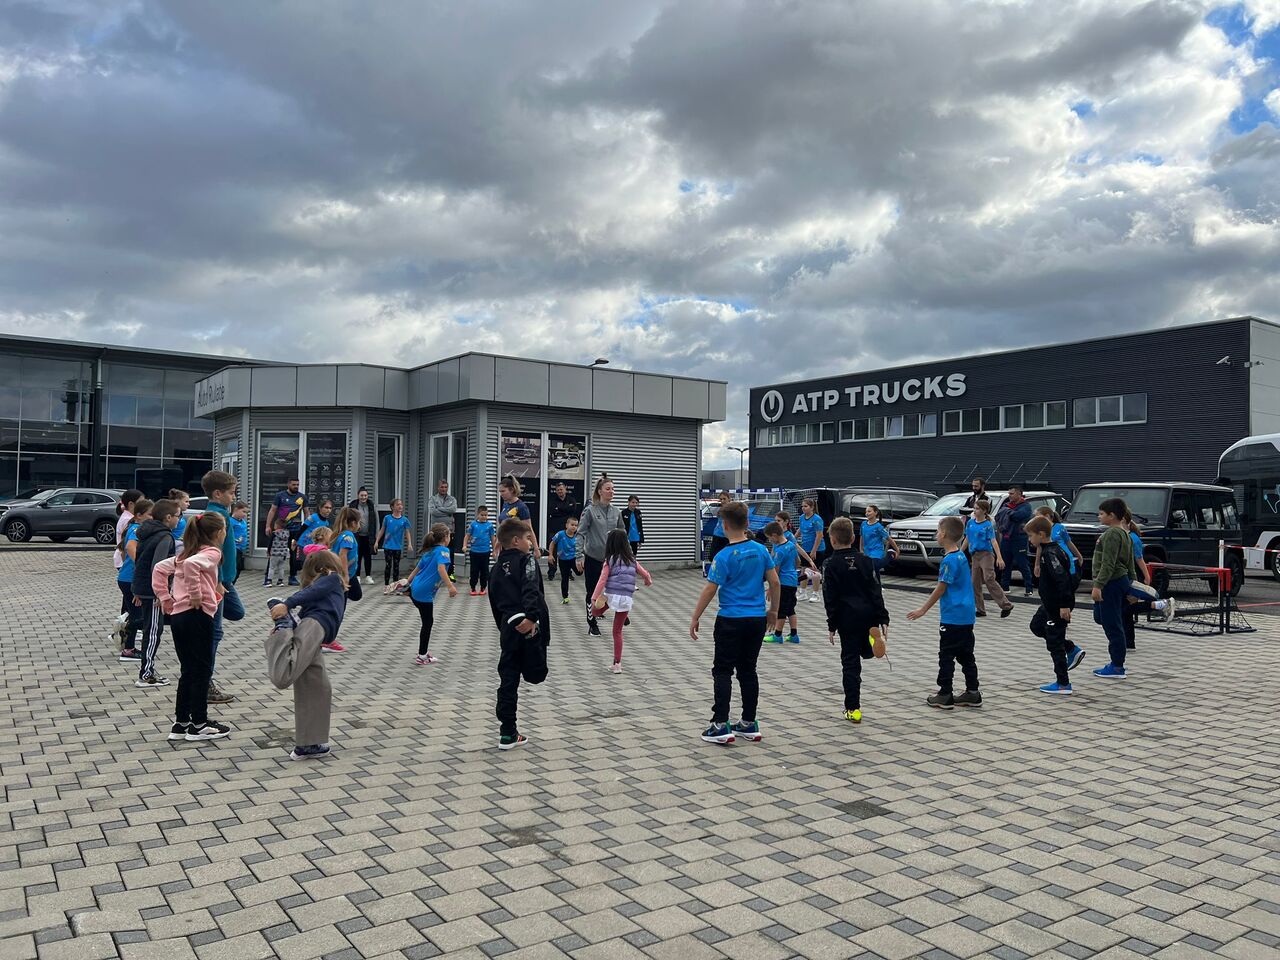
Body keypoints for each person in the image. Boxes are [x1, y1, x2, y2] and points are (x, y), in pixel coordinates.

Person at [689, 501, 780, 745]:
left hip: (730, 619)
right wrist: (773, 611)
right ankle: (749, 722)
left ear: (724, 526)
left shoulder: (723, 556)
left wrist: (696, 616)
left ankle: (720, 724)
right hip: (756, 618)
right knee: (748, 669)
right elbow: (775, 582)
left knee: (723, 670)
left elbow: (710, 589)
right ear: (747, 523)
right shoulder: (761, 550)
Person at [152, 511, 230, 742]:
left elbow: (159, 569)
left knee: (188, 670)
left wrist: (166, 599)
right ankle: (199, 724)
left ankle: (181, 723)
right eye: (225, 529)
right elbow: (192, 566)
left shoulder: (186, 553)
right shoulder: (211, 553)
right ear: (218, 532)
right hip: (197, 614)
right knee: (202, 670)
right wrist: (196, 595)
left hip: (179, 617)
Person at [266, 550, 348, 760]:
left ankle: (309, 744)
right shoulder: (331, 578)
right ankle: (282, 626)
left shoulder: (333, 584)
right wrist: (286, 605)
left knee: (317, 686)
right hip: (314, 627)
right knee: (284, 675)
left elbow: (355, 592)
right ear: (325, 568)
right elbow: (309, 594)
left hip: (315, 631)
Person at [907, 516, 982, 710]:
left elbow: (941, 588)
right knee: (966, 655)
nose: (936, 534)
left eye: (938, 531)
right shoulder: (961, 556)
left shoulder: (948, 561)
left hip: (952, 616)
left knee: (946, 655)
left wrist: (923, 609)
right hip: (966, 615)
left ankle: (945, 693)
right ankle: (973, 692)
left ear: (945, 534)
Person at [488, 518, 551, 751]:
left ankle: (507, 732)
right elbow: (531, 588)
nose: (531, 543)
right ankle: (509, 733)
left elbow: (494, 603)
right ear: (516, 541)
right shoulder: (528, 561)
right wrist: (532, 618)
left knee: (508, 679)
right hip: (528, 625)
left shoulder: (495, 569)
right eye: (527, 538)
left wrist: (504, 627)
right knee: (536, 674)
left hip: (508, 628)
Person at [822, 517, 890, 723]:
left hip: (846, 618)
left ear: (832, 540)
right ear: (853, 538)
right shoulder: (867, 561)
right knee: (864, 648)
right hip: (868, 615)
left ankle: (853, 709)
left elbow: (830, 597)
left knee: (850, 663)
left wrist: (832, 624)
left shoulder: (830, 564)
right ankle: (871, 642)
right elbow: (875, 589)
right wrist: (883, 617)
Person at [202, 470, 244, 705]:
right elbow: (212, 551)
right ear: (217, 493)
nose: (233, 497)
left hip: (225, 580)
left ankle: (201, 618)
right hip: (216, 581)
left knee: (237, 612)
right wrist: (217, 582)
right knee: (215, 632)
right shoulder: (216, 517)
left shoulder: (222, 514)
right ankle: (205, 683)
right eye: (231, 493)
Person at [1025, 516, 1079, 694]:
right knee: (1036, 626)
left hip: (1058, 605)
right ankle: (1070, 648)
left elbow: (1062, 579)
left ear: (1041, 534)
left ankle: (1063, 683)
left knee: (1054, 643)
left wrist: (1064, 605)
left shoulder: (1051, 553)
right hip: (1048, 604)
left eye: (1031, 536)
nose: (1030, 540)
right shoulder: (1047, 550)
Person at [131, 498, 181, 688]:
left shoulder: (147, 532)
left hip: (144, 587)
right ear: (168, 517)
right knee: (153, 632)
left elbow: (140, 561)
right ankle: (146, 674)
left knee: (151, 628)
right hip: (153, 591)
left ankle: (148, 670)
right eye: (177, 516)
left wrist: (137, 588)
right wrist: (162, 593)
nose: (179, 519)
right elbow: (158, 567)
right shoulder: (165, 537)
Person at [590, 529, 653, 674]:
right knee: (617, 631)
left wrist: (594, 597)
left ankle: (599, 606)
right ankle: (617, 664)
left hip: (611, 594)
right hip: (626, 598)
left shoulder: (609, 560)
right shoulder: (632, 560)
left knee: (595, 611)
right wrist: (648, 581)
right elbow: (644, 573)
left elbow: (602, 580)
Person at [1090, 498, 1136, 679]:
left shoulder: (1111, 534)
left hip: (1111, 582)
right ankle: (1117, 663)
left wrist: (1098, 585)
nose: (1099, 516)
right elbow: (1130, 563)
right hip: (1120, 581)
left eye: (1101, 513)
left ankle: (1117, 666)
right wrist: (1132, 585)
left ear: (1112, 515)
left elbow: (1108, 563)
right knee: (1102, 617)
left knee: (1113, 625)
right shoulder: (1125, 533)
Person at [576, 475, 625, 637]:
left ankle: (620, 612)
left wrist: (626, 555)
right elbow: (580, 533)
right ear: (600, 491)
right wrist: (578, 556)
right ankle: (592, 623)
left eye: (613, 489)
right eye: (608, 489)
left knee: (617, 588)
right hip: (593, 558)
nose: (612, 492)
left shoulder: (616, 511)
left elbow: (622, 534)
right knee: (593, 592)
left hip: (612, 559)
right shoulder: (590, 510)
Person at [408, 523, 458, 665]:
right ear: (445, 537)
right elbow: (441, 569)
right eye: (450, 536)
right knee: (427, 623)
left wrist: (406, 584)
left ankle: (423, 652)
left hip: (415, 589)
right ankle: (422, 656)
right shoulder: (443, 551)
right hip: (424, 593)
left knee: (426, 621)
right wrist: (450, 586)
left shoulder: (429, 551)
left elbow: (416, 570)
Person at [1123, 516, 1175, 646]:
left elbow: (1139, 559)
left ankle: (1161, 604)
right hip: (1129, 575)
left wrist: (1146, 577)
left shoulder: (1132, 538)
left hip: (1133, 576)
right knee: (1126, 609)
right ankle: (1129, 642)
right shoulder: (1127, 536)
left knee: (1125, 608)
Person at [116, 498, 153, 663]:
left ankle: (127, 645)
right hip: (130, 579)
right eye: (149, 515)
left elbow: (123, 552)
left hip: (127, 577)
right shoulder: (137, 529)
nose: (152, 518)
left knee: (135, 613)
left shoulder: (133, 528)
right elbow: (129, 547)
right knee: (137, 615)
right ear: (138, 515)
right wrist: (141, 564)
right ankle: (126, 647)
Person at [964, 499, 1013, 619]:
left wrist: (999, 557)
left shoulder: (987, 525)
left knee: (989, 578)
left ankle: (1006, 605)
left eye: (977, 509)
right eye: (974, 508)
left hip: (986, 554)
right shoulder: (970, 523)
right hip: (975, 555)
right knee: (974, 582)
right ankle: (980, 609)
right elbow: (967, 538)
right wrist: (960, 552)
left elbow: (993, 541)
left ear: (984, 511)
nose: (974, 511)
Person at [764, 521, 802, 644]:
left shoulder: (779, 551)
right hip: (792, 581)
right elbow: (798, 561)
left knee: (780, 608)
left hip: (783, 582)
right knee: (790, 608)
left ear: (774, 535)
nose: (770, 540)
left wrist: (771, 588)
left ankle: (777, 634)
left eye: (769, 538)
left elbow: (776, 570)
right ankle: (794, 634)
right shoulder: (791, 545)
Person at [265, 477, 308, 586]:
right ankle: (268, 578)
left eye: (297, 484)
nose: (296, 486)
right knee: (274, 552)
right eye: (294, 484)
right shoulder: (280, 496)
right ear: (288, 484)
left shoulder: (302, 497)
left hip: (296, 530)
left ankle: (292, 577)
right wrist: (268, 526)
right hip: (282, 530)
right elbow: (272, 510)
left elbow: (306, 512)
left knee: (293, 554)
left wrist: (307, 528)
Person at [996, 488, 1036, 595]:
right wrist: (1010, 513)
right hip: (1006, 538)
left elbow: (1018, 516)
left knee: (1023, 563)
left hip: (1019, 538)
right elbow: (999, 516)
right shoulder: (1006, 505)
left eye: (1012, 493)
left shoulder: (1026, 506)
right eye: (1009, 493)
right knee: (1006, 564)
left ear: (1019, 494)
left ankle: (1029, 588)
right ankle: (1005, 587)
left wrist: (1007, 513)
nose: (1009, 495)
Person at [375, 498, 413, 588]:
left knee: (396, 566)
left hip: (397, 547)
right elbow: (382, 530)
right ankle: (386, 585)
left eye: (401, 504)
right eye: (397, 504)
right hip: (388, 546)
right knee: (388, 565)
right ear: (392, 507)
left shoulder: (404, 520)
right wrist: (376, 542)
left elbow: (407, 532)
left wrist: (409, 544)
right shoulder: (387, 518)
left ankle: (395, 586)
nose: (400, 506)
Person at [546, 482, 579, 581]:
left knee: (568, 551)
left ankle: (568, 573)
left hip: (568, 531)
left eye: (561, 489)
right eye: (558, 490)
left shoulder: (571, 500)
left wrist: (559, 510)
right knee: (554, 551)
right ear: (556, 491)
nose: (560, 491)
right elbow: (552, 511)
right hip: (554, 529)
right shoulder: (552, 501)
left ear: (565, 489)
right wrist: (565, 510)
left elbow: (572, 509)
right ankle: (551, 572)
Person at [428, 479, 459, 580]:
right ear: (438, 488)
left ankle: (450, 574)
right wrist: (447, 512)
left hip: (449, 531)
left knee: (450, 553)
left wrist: (440, 508)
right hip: (436, 532)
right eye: (442, 487)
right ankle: (435, 574)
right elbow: (433, 512)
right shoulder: (433, 499)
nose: (444, 489)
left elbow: (453, 509)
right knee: (435, 552)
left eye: (445, 487)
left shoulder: (452, 499)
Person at [332, 506, 363, 606]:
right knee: (343, 601)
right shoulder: (348, 536)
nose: (359, 525)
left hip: (349, 573)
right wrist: (345, 575)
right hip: (345, 573)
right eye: (359, 522)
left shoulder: (341, 534)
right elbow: (342, 554)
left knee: (356, 594)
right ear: (353, 523)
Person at [348, 487, 379, 585]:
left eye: (365, 495)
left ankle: (368, 576)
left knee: (368, 556)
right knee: (357, 555)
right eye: (361, 495)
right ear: (358, 495)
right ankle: (357, 576)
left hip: (368, 536)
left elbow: (377, 521)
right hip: (356, 535)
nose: (363, 497)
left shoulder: (371, 506)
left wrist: (376, 536)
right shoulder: (353, 506)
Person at [859, 505, 898, 580]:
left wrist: (897, 550)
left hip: (877, 551)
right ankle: (877, 585)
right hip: (867, 552)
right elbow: (862, 537)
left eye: (869, 511)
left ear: (875, 512)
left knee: (875, 565)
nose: (867, 513)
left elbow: (889, 539)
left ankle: (890, 554)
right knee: (872, 571)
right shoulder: (863, 524)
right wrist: (861, 549)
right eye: (866, 512)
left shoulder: (878, 527)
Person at [464, 506, 496, 596]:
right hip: (474, 552)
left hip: (485, 552)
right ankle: (473, 587)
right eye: (482, 515)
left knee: (484, 571)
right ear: (478, 515)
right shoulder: (473, 525)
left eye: (486, 515)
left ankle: (483, 588)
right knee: (474, 570)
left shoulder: (489, 526)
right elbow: (467, 536)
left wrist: (494, 550)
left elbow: (493, 538)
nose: (484, 517)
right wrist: (464, 545)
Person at [798, 499, 826, 601]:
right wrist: (793, 538)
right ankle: (803, 592)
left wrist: (814, 551)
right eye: (802, 506)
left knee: (814, 571)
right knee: (804, 570)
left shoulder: (817, 519)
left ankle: (816, 594)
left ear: (812, 507)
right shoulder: (801, 517)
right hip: (805, 548)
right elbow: (800, 529)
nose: (803, 508)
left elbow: (819, 535)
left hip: (817, 549)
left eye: (805, 506)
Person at [548, 516, 578, 604]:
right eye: (572, 525)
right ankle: (565, 597)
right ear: (567, 525)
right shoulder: (560, 534)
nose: (574, 527)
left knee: (579, 572)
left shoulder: (577, 536)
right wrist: (550, 555)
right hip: (563, 560)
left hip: (573, 558)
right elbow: (552, 543)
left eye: (576, 525)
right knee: (564, 578)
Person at [708, 491, 732, 562]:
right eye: (721, 499)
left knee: (725, 557)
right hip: (717, 535)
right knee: (713, 556)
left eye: (724, 499)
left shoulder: (732, 510)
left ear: (729, 499)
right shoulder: (720, 509)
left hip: (726, 537)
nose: (722, 501)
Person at [267, 519, 292, 586]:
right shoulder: (287, 533)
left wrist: (268, 551)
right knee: (281, 568)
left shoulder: (274, 533)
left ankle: (269, 581)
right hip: (283, 554)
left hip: (274, 553)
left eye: (275, 524)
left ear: (277, 525)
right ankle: (280, 581)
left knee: (272, 567)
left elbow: (270, 543)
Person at [230, 502, 249, 583]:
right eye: (243, 512)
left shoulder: (242, 522)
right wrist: (235, 540)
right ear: (236, 510)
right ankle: (229, 584)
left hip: (241, 548)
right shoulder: (231, 521)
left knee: (239, 568)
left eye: (246, 513)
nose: (245, 515)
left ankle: (231, 584)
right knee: (235, 567)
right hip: (234, 548)